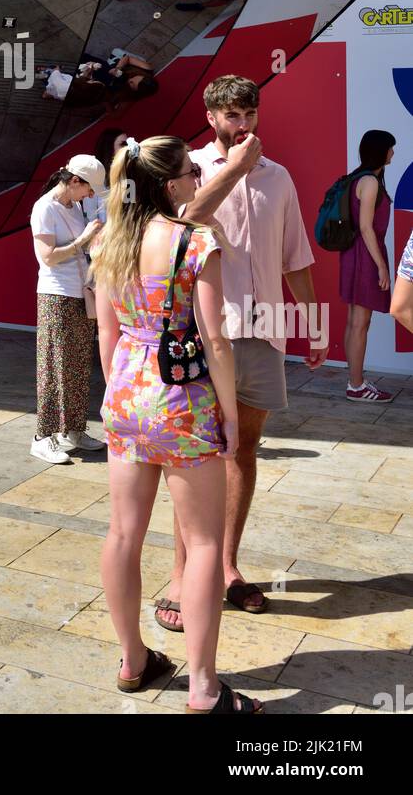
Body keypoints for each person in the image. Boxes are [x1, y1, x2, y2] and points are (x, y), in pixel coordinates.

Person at [92, 136, 260, 712]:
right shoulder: (195, 242)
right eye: (191, 171)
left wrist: (121, 395)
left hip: (127, 394)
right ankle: (204, 688)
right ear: (171, 184)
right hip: (183, 399)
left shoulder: (111, 240)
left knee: (122, 533)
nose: (197, 177)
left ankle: (134, 659)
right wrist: (230, 414)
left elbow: (107, 337)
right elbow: (214, 338)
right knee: (205, 540)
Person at [162, 75, 326, 630]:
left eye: (249, 112)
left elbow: (295, 256)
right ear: (211, 118)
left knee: (244, 448)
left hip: (265, 329)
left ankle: (228, 567)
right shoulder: (192, 172)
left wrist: (312, 324)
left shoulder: (278, 177)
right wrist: (231, 167)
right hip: (206, 333)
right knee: (196, 453)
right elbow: (184, 224)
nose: (244, 124)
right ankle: (183, 575)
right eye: (232, 115)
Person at [29, 155, 107, 465]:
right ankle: (42, 436)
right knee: (53, 365)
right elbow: (47, 257)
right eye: (88, 189)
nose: (90, 195)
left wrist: (92, 243)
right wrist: (85, 238)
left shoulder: (73, 206)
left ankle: (74, 429)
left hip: (80, 292)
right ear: (74, 181)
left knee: (77, 364)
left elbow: (77, 249)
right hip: (55, 294)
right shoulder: (44, 207)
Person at [340, 130, 396, 403]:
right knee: (361, 323)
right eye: (390, 148)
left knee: (354, 321)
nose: (393, 153)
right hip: (365, 256)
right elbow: (365, 227)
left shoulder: (356, 178)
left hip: (354, 254)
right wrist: (382, 266)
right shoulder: (370, 182)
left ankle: (355, 379)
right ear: (381, 151)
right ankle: (356, 385)